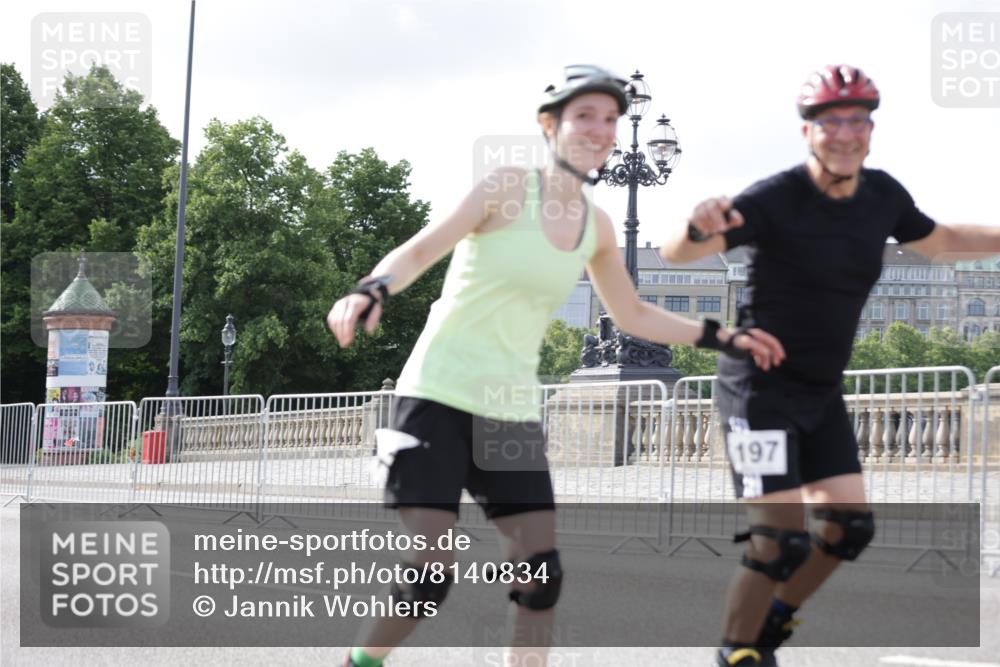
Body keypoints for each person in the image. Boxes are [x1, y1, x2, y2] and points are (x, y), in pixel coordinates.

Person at [326, 65, 786, 667]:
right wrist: (371, 289)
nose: (600, 129)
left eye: (611, 119)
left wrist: (723, 337)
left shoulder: (597, 226)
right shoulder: (505, 187)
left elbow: (631, 313)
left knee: (541, 577)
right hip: (436, 395)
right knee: (429, 576)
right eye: (584, 116)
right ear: (550, 125)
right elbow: (420, 250)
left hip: (509, 413)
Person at [660, 64, 1000, 667]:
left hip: (820, 393)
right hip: (758, 391)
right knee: (779, 540)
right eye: (830, 122)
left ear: (871, 129)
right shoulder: (775, 197)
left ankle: (772, 619)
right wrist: (694, 225)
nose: (845, 133)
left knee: (849, 528)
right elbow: (677, 254)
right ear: (807, 132)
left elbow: (943, 240)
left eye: (857, 120)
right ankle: (737, 652)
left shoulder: (882, 196)